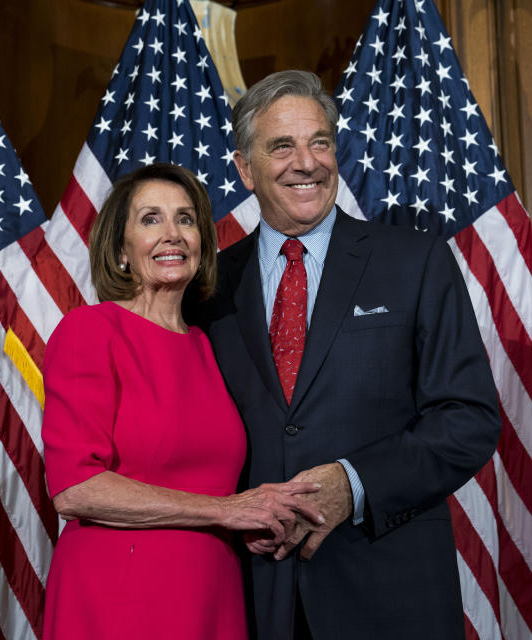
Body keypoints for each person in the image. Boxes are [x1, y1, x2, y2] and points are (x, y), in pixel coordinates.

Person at [200, 70, 502, 638]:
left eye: (320, 141)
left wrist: (354, 483)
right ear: (244, 169)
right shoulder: (210, 287)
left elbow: (468, 419)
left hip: (388, 592)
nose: (306, 162)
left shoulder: (416, 261)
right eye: (282, 146)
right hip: (253, 598)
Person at [40, 163, 324, 640]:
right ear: (121, 248)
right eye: (151, 219)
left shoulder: (208, 346)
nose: (172, 235)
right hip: (120, 597)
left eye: (186, 220)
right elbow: (76, 489)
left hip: (213, 591)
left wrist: (253, 520)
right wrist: (227, 511)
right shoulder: (91, 331)